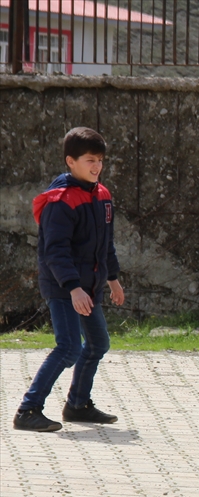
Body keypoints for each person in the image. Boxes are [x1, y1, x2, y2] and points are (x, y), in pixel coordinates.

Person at [14, 127, 126, 433]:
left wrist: (113, 279)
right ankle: (28, 410)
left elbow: (107, 245)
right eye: (90, 160)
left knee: (98, 343)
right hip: (64, 288)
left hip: (89, 287)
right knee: (68, 348)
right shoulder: (59, 201)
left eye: (100, 160)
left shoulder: (102, 195)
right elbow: (55, 252)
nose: (97, 166)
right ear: (70, 161)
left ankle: (77, 405)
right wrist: (74, 288)